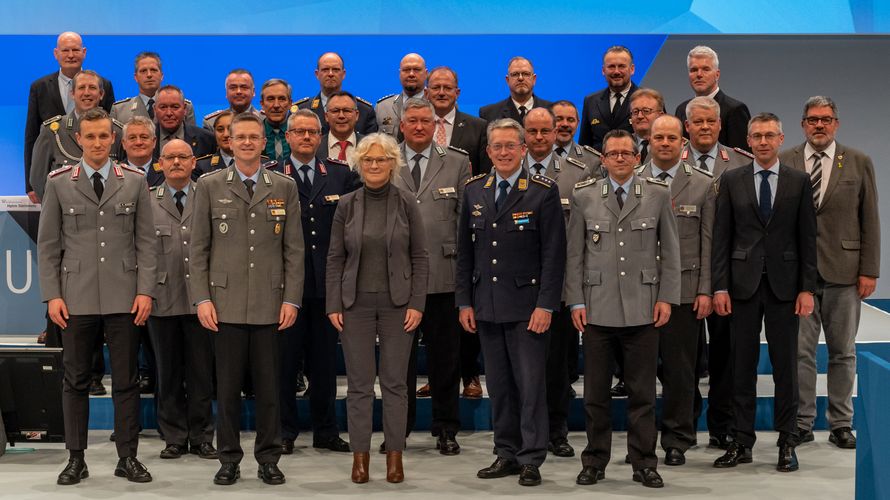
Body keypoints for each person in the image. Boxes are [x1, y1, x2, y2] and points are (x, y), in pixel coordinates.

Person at [37, 107, 155, 485]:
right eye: (91, 136)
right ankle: (76, 458)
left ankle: (128, 457)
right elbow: (49, 246)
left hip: (124, 297)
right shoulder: (58, 182)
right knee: (75, 381)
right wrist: (52, 295)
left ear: (114, 138)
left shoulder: (135, 181)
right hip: (75, 298)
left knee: (125, 380)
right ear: (78, 140)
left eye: (105, 136)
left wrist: (145, 291)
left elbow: (147, 243)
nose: (98, 142)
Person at [190, 112, 303, 486]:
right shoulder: (208, 185)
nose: (248, 143)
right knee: (227, 390)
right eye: (241, 137)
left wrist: (292, 299)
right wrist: (201, 299)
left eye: (255, 137)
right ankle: (228, 459)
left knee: (270, 389)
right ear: (230, 141)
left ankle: (269, 458)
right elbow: (198, 249)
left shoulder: (284, 186)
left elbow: (294, 250)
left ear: (264, 142)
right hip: (224, 305)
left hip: (271, 304)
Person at [565, 129, 680, 489]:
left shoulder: (658, 194)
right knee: (596, 394)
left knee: (642, 394)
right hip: (597, 309)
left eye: (626, 154)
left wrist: (666, 298)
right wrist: (576, 300)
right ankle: (595, 461)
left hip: (643, 308)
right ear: (602, 159)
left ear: (636, 157)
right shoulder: (584, 196)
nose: (619, 159)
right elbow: (575, 254)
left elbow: (672, 252)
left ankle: (645, 461)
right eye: (612, 154)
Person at [456, 118, 566, 487]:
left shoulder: (541, 190)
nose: (503, 152)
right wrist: (464, 302)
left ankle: (532, 457)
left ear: (523, 149)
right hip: (486, 304)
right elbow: (465, 254)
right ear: (487, 152)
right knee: (499, 386)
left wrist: (546, 305)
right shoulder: (474, 190)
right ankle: (505, 452)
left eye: (510, 146)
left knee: (531, 385)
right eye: (496, 147)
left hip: (528, 307)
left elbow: (554, 255)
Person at [712, 112, 817, 473]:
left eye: (769, 135)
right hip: (741, 286)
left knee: (786, 368)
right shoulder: (732, 179)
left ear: (781, 138)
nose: (763, 142)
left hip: (786, 288)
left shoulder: (799, 181)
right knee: (741, 367)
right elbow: (721, 239)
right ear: (748, 139)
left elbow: (808, 240)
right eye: (756, 136)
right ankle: (741, 442)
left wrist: (807, 289)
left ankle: (788, 442)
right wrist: (719, 286)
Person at [326, 133, 429, 484]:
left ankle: (395, 458)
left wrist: (417, 303)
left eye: (381, 159)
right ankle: (361, 458)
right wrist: (333, 303)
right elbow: (335, 258)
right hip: (354, 305)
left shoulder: (407, 202)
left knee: (396, 384)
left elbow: (420, 256)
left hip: (398, 306)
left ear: (392, 163)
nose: (374, 165)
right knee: (358, 386)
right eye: (368, 160)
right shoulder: (347, 204)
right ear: (358, 163)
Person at [779, 96, 880, 449]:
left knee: (842, 351)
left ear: (836, 123)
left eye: (825, 119)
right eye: (812, 119)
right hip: (797, 278)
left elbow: (870, 218)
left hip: (845, 273)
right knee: (801, 354)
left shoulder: (858, 161)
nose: (818, 125)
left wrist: (869, 270)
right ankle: (803, 421)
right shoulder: (785, 160)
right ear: (802, 124)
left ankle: (841, 423)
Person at [274, 109, 359, 455]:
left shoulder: (340, 175)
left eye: (312, 132)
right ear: (288, 137)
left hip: (327, 288)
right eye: (300, 132)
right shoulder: (272, 176)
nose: (306, 137)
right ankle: (284, 431)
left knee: (325, 366)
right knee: (284, 365)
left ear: (320, 136)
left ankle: (326, 431)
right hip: (285, 290)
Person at [392, 98, 470, 455]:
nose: (420, 126)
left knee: (445, 360)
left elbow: (465, 222)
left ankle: (446, 429)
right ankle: (399, 430)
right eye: (413, 121)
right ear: (402, 125)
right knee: (399, 363)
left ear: (436, 125)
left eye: (426, 121)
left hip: (443, 277)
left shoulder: (457, 162)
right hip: (397, 281)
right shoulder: (385, 160)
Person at [636, 115, 715, 466]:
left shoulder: (702, 184)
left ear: (683, 142)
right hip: (638, 291)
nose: (665, 143)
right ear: (649, 141)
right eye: (659, 137)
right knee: (639, 372)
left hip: (684, 291)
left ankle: (677, 439)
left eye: (671, 137)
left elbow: (709, 242)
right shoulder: (631, 180)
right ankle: (642, 440)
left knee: (680, 371)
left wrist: (706, 290)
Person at [681, 95, 753, 449]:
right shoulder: (663, 162)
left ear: (720, 125)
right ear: (687, 126)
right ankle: (684, 425)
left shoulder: (741, 163)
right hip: (683, 277)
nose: (705, 127)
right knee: (686, 359)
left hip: (729, 278)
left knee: (727, 355)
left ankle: (722, 425)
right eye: (698, 122)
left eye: (711, 121)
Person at [523, 107, 587, 458]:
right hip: (517, 286)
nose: (539, 137)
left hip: (561, 286)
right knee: (523, 365)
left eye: (545, 131)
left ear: (555, 133)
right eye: (532, 131)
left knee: (559, 365)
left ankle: (557, 430)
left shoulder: (580, 172)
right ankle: (525, 430)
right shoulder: (505, 170)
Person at [148, 139, 216, 460]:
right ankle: (174, 436)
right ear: (159, 164)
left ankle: (203, 436)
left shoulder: (210, 197)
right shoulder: (147, 201)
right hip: (163, 299)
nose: (176, 162)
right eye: (170, 157)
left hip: (203, 299)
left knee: (202, 373)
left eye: (183, 157)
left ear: (193, 163)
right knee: (168, 372)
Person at [25, 31, 115, 203]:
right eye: (65, 50)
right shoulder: (39, 87)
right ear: (56, 53)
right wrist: (30, 185)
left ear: (84, 52)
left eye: (75, 50)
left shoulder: (105, 84)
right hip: (60, 180)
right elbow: (31, 137)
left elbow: (110, 126)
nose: (71, 55)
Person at [30, 70, 123, 201]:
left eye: (92, 87)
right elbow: (38, 180)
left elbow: (126, 178)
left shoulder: (118, 131)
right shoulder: (52, 131)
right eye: (81, 88)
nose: (86, 93)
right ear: (72, 94)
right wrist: (57, 208)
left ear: (101, 94)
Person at [674, 46, 751, 151]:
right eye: (694, 70)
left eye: (706, 69)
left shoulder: (735, 110)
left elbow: (741, 160)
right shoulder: (681, 110)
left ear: (717, 75)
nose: (699, 75)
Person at [425, 66, 491, 176]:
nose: (441, 93)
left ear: (457, 93)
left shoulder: (479, 127)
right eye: (436, 87)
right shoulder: (415, 127)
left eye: (447, 88)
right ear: (426, 93)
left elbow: (484, 174)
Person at [296, 52, 377, 135]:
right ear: (317, 74)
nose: (330, 74)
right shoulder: (301, 110)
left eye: (335, 70)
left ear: (343, 74)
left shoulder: (364, 110)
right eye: (325, 70)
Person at [111, 51, 196, 126]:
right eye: (143, 71)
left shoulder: (185, 106)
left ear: (162, 76)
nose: (149, 75)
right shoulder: (119, 110)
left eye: (153, 70)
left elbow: (192, 139)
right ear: (135, 77)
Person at [579, 46, 637, 152]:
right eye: (611, 67)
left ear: (632, 69)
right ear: (603, 70)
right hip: (597, 167)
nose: (616, 71)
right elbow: (584, 145)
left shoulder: (648, 100)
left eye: (621, 66)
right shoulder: (591, 101)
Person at [152, 85, 215, 167]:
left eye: (175, 107)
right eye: (163, 107)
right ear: (155, 110)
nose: (169, 113)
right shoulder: (145, 139)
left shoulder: (206, 139)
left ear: (185, 109)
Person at [478, 57, 552, 123]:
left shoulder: (551, 110)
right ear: (507, 80)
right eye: (515, 74)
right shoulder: (489, 114)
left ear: (534, 79)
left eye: (526, 74)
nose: (520, 78)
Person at [376, 53, 428, 136]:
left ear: (426, 74)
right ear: (399, 74)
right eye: (406, 70)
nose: (411, 74)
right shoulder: (382, 107)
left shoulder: (437, 105)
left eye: (416, 69)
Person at [551, 100, 603, 178]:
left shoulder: (593, 160)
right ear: (548, 122)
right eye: (559, 119)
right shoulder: (535, 153)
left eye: (570, 120)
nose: (565, 124)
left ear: (577, 124)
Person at [628, 88, 665, 165]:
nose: (640, 116)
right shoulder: (622, 144)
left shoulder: (675, 143)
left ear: (660, 115)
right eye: (635, 112)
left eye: (646, 111)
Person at [260, 78, 292, 163]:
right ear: (262, 104)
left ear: (290, 104)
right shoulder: (254, 134)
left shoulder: (302, 133)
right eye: (270, 99)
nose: (276, 105)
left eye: (282, 99)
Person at [196, 111, 234, 175]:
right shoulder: (201, 166)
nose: (226, 134)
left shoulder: (254, 163)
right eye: (220, 130)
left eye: (230, 129)